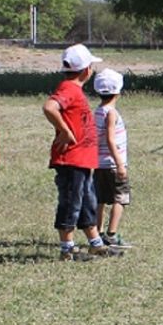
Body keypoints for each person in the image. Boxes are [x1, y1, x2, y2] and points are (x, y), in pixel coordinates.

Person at [42, 44, 123, 261]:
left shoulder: (74, 90)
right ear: (87, 70)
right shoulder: (69, 88)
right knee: (70, 202)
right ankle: (67, 250)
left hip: (83, 161)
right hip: (71, 159)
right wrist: (66, 131)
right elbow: (50, 107)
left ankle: (95, 244)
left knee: (87, 201)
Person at [93, 68, 132, 249]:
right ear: (118, 91)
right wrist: (120, 164)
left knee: (100, 199)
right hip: (113, 164)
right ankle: (112, 234)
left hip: (99, 164)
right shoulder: (111, 113)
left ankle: (98, 233)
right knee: (120, 198)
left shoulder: (98, 111)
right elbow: (110, 139)